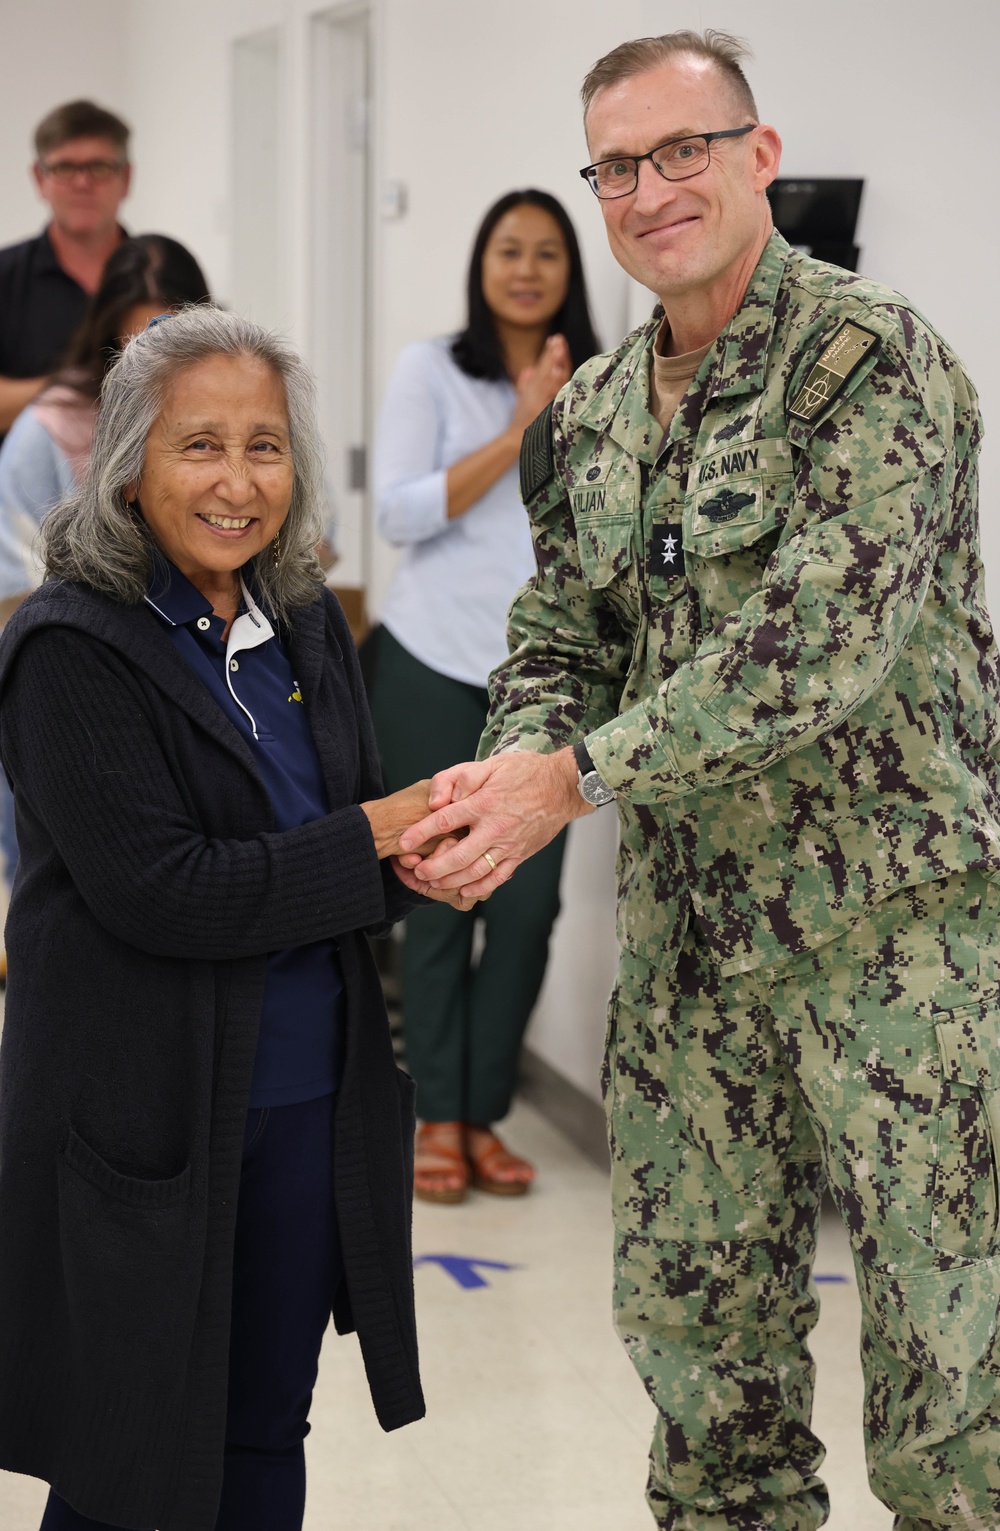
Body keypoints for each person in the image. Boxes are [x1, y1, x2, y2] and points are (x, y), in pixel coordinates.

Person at [397, 29, 1000, 1530]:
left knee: (953, 1395)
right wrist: (512, 765)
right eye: (618, 164)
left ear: (759, 156)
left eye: (684, 150)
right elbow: (555, 635)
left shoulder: (875, 361)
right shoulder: (594, 417)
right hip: (691, 954)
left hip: (897, 945)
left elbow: (819, 642)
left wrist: (573, 778)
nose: (652, 188)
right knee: (704, 1378)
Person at [0, 306, 471, 1531]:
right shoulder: (69, 647)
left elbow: (354, 833)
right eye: (198, 445)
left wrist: (436, 849)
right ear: (128, 465)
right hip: (142, 1115)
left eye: (265, 446)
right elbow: (168, 890)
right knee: (130, 1451)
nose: (237, 480)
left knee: (266, 1424)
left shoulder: (307, 619)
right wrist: (379, 836)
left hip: (308, 1102)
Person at [369, 189, 599, 1202]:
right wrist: (517, 432)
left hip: (544, 685)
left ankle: (484, 1110)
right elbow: (398, 514)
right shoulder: (432, 368)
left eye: (548, 252)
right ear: (481, 263)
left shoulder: (603, 378)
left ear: (570, 270)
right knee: (432, 894)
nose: (526, 269)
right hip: (428, 659)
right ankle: (431, 1117)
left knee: (527, 905)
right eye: (509, 249)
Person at [0, 233, 211, 917]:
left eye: (173, 340)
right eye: (137, 349)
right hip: (83, 705)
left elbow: (308, 546)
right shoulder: (48, 434)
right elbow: (12, 599)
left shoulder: (242, 413)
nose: (155, 368)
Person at [0, 99, 131, 437]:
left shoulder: (161, 275)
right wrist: (76, 387)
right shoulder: (4, 276)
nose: (83, 183)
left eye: (99, 167)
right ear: (39, 178)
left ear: (126, 177)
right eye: (65, 168)